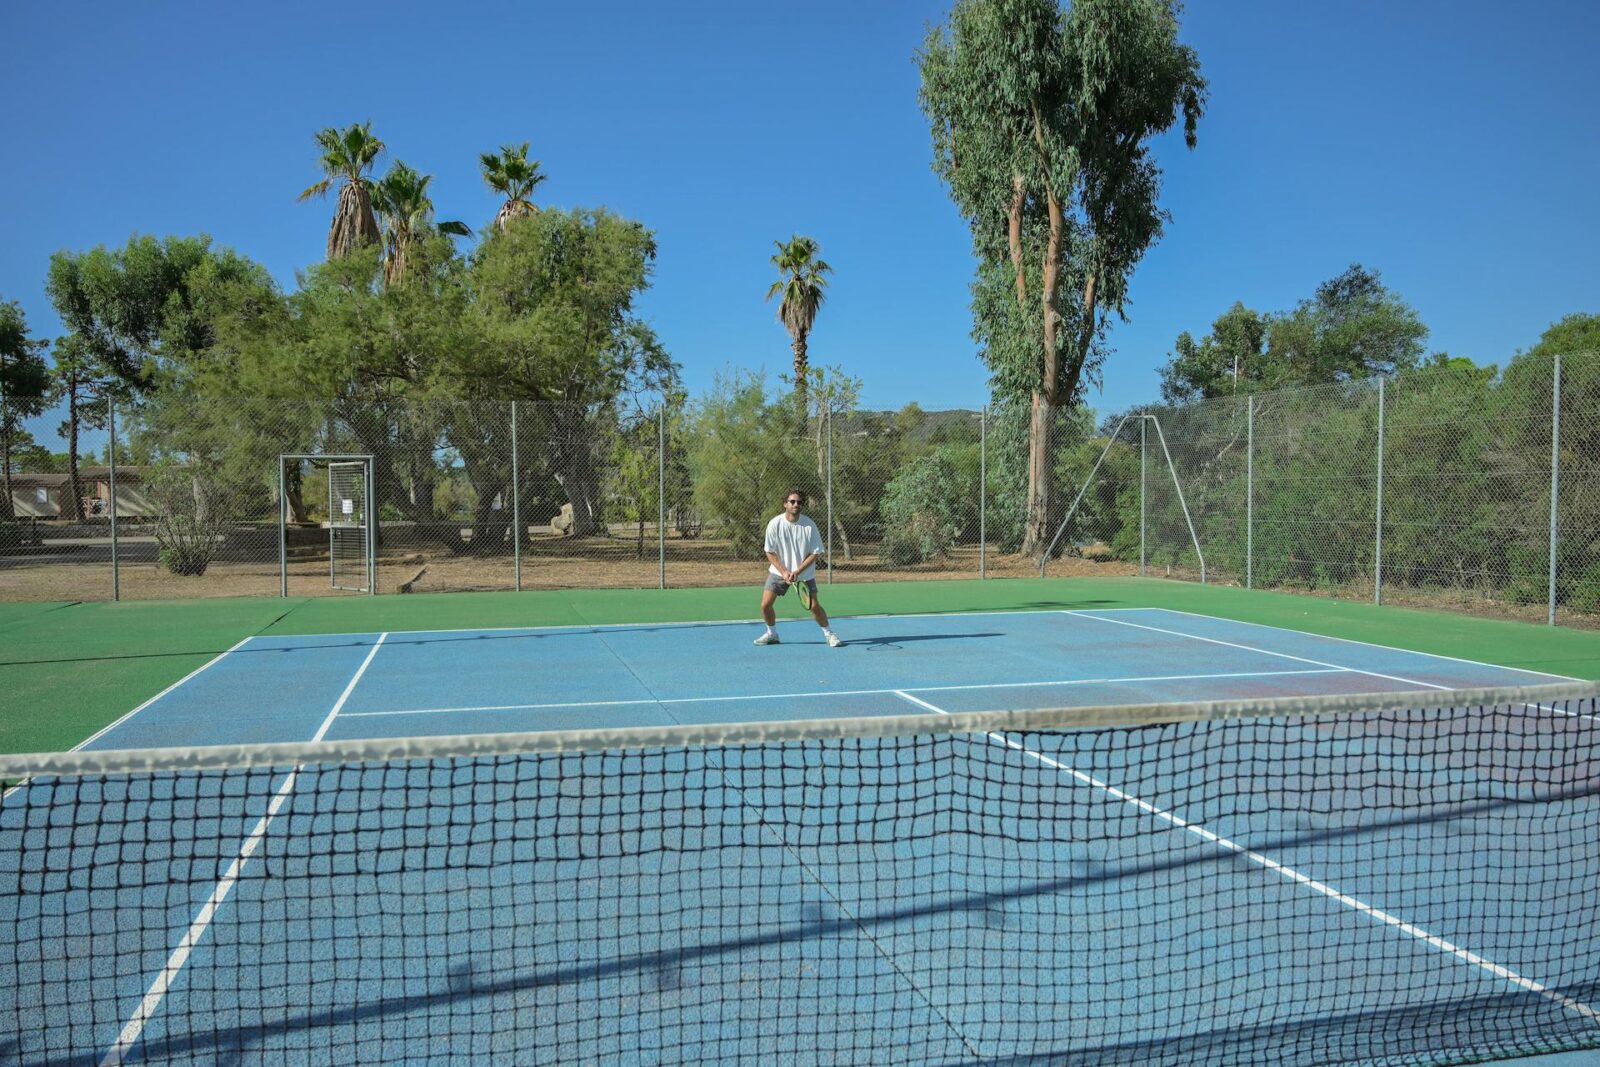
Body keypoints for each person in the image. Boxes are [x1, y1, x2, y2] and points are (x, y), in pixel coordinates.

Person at [755, 488, 842, 647]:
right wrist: (784, 572)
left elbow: (815, 553)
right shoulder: (775, 524)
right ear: (785, 504)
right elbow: (770, 552)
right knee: (765, 605)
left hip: (804, 574)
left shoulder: (809, 525)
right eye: (792, 501)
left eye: (799, 502)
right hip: (779, 573)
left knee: (814, 606)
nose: (796, 504)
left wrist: (797, 571)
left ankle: (829, 634)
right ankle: (772, 634)